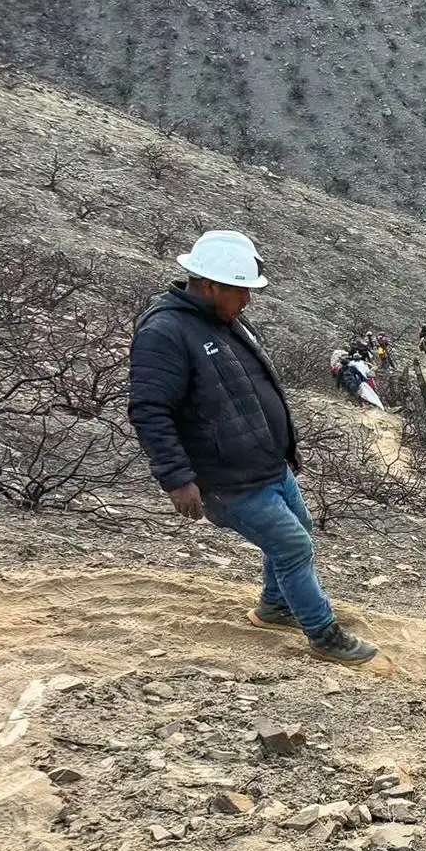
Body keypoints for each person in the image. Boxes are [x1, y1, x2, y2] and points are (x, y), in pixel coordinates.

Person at [128, 230, 377, 665]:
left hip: (267, 467)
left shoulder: (224, 322)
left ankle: (275, 607)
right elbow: (149, 410)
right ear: (210, 286)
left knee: (297, 536)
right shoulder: (165, 333)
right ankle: (324, 636)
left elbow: (254, 390)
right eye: (241, 290)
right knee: (291, 546)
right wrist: (177, 479)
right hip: (227, 478)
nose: (247, 300)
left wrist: (286, 449)